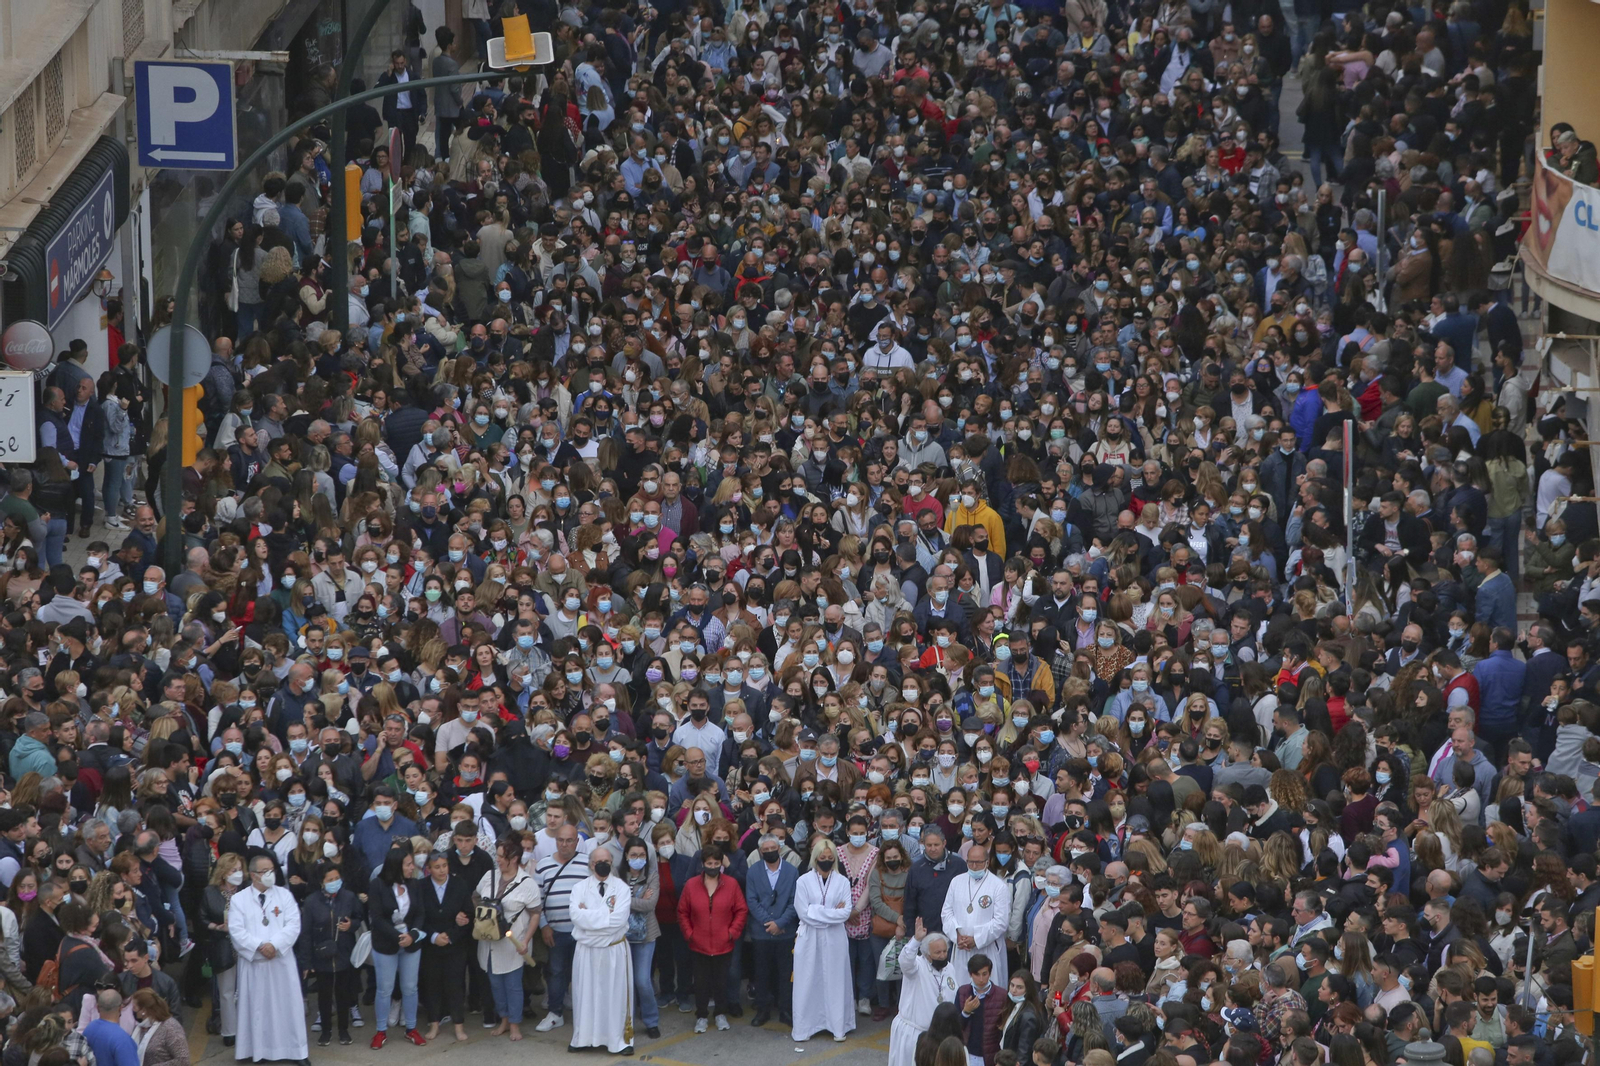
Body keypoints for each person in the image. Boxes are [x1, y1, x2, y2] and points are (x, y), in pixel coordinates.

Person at [227, 854, 310, 1066]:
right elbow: (236, 930)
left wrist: (274, 944)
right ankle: (259, 1051)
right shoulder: (239, 899)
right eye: (265, 871)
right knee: (257, 1008)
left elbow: (293, 925)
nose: (270, 875)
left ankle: (296, 1051)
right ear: (253, 875)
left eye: (272, 870)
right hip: (255, 963)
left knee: (288, 1006)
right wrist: (259, 947)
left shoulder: (284, 896)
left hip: (281, 962)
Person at [569, 842, 636, 1053]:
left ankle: (617, 1041)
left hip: (613, 950)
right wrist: (603, 917)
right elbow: (576, 917)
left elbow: (620, 919)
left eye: (607, 861)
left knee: (614, 995)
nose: (603, 865)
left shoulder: (622, 889)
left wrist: (588, 916)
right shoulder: (579, 888)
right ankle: (584, 1038)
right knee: (586, 994)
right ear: (591, 865)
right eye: (599, 862)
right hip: (587, 952)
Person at [676, 841, 749, 1032]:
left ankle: (720, 1013)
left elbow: (741, 910)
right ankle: (701, 1015)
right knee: (700, 982)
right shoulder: (691, 885)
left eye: (716, 864)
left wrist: (732, 932)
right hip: (698, 944)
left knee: (721, 981)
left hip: (724, 943)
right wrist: (689, 934)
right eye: (709, 864)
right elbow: (682, 911)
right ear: (702, 864)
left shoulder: (731, 884)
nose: (713, 867)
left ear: (721, 864)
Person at [475, 837, 542, 1041]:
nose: (497, 859)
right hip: (488, 941)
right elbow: (476, 897)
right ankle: (503, 1019)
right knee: (495, 983)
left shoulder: (527, 883)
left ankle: (514, 1024)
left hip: (513, 943)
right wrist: (482, 919)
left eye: (501, 856)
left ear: (513, 859)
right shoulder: (489, 877)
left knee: (513, 985)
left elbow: (535, 914)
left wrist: (526, 940)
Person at [792, 838, 856, 1043]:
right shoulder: (803, 881)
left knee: (835, 980)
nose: (826, 860)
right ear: (815, 857)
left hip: (835, 939)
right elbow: (803, 913)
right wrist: (829, 914)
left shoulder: (842, 881)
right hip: (809, 939)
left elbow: (845, 913)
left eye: (830, 857)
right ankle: (805, 1027)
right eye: (822, 857)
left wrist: (816, 912)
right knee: (807, 980)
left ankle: (837, 1026)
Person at [418, 851, 473, 1043]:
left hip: (455, 944)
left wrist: (450, 935)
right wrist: (433, 936)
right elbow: (418, 917)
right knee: (431, 984)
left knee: (455, 984)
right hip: (431, 945)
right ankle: (434, 1023)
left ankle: (459, 1025)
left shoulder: (459, 884)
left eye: (444, 866)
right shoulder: (421, 887)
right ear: (429, 869)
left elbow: (468, 915)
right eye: (437, 867)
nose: (442, 870)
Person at [891, 920, 961, 1066]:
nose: (942, 956)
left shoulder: (949, 968)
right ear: (927, 954)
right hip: (916, 1034)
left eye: (944, 951)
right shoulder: (916, 967)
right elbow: (905, 961)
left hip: (942, 1034)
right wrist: (916, 939)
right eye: (937, 952)